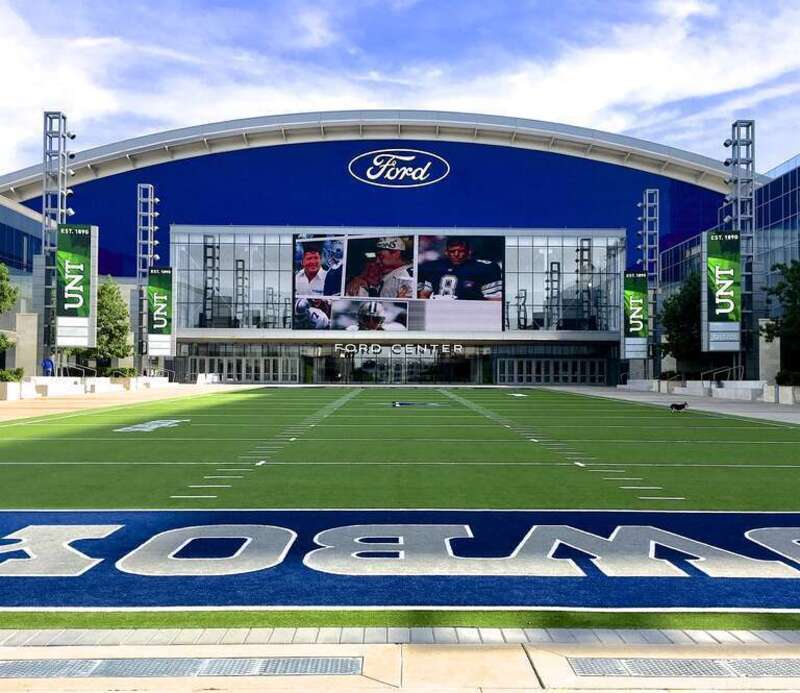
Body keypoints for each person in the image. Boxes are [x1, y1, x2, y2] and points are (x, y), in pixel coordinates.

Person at [418, 237, 502, 300]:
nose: (456, 254)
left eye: (461, 251)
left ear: (469, 252)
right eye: (452, 251)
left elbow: (495, 300)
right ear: (446, 252)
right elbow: (424, 294)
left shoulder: (484, 268)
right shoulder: (434, 267)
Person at [346, 237, 414, 298]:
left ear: (396, 253)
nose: (377, 261)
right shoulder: (392, 274)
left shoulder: (406, 275)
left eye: (381, 256)